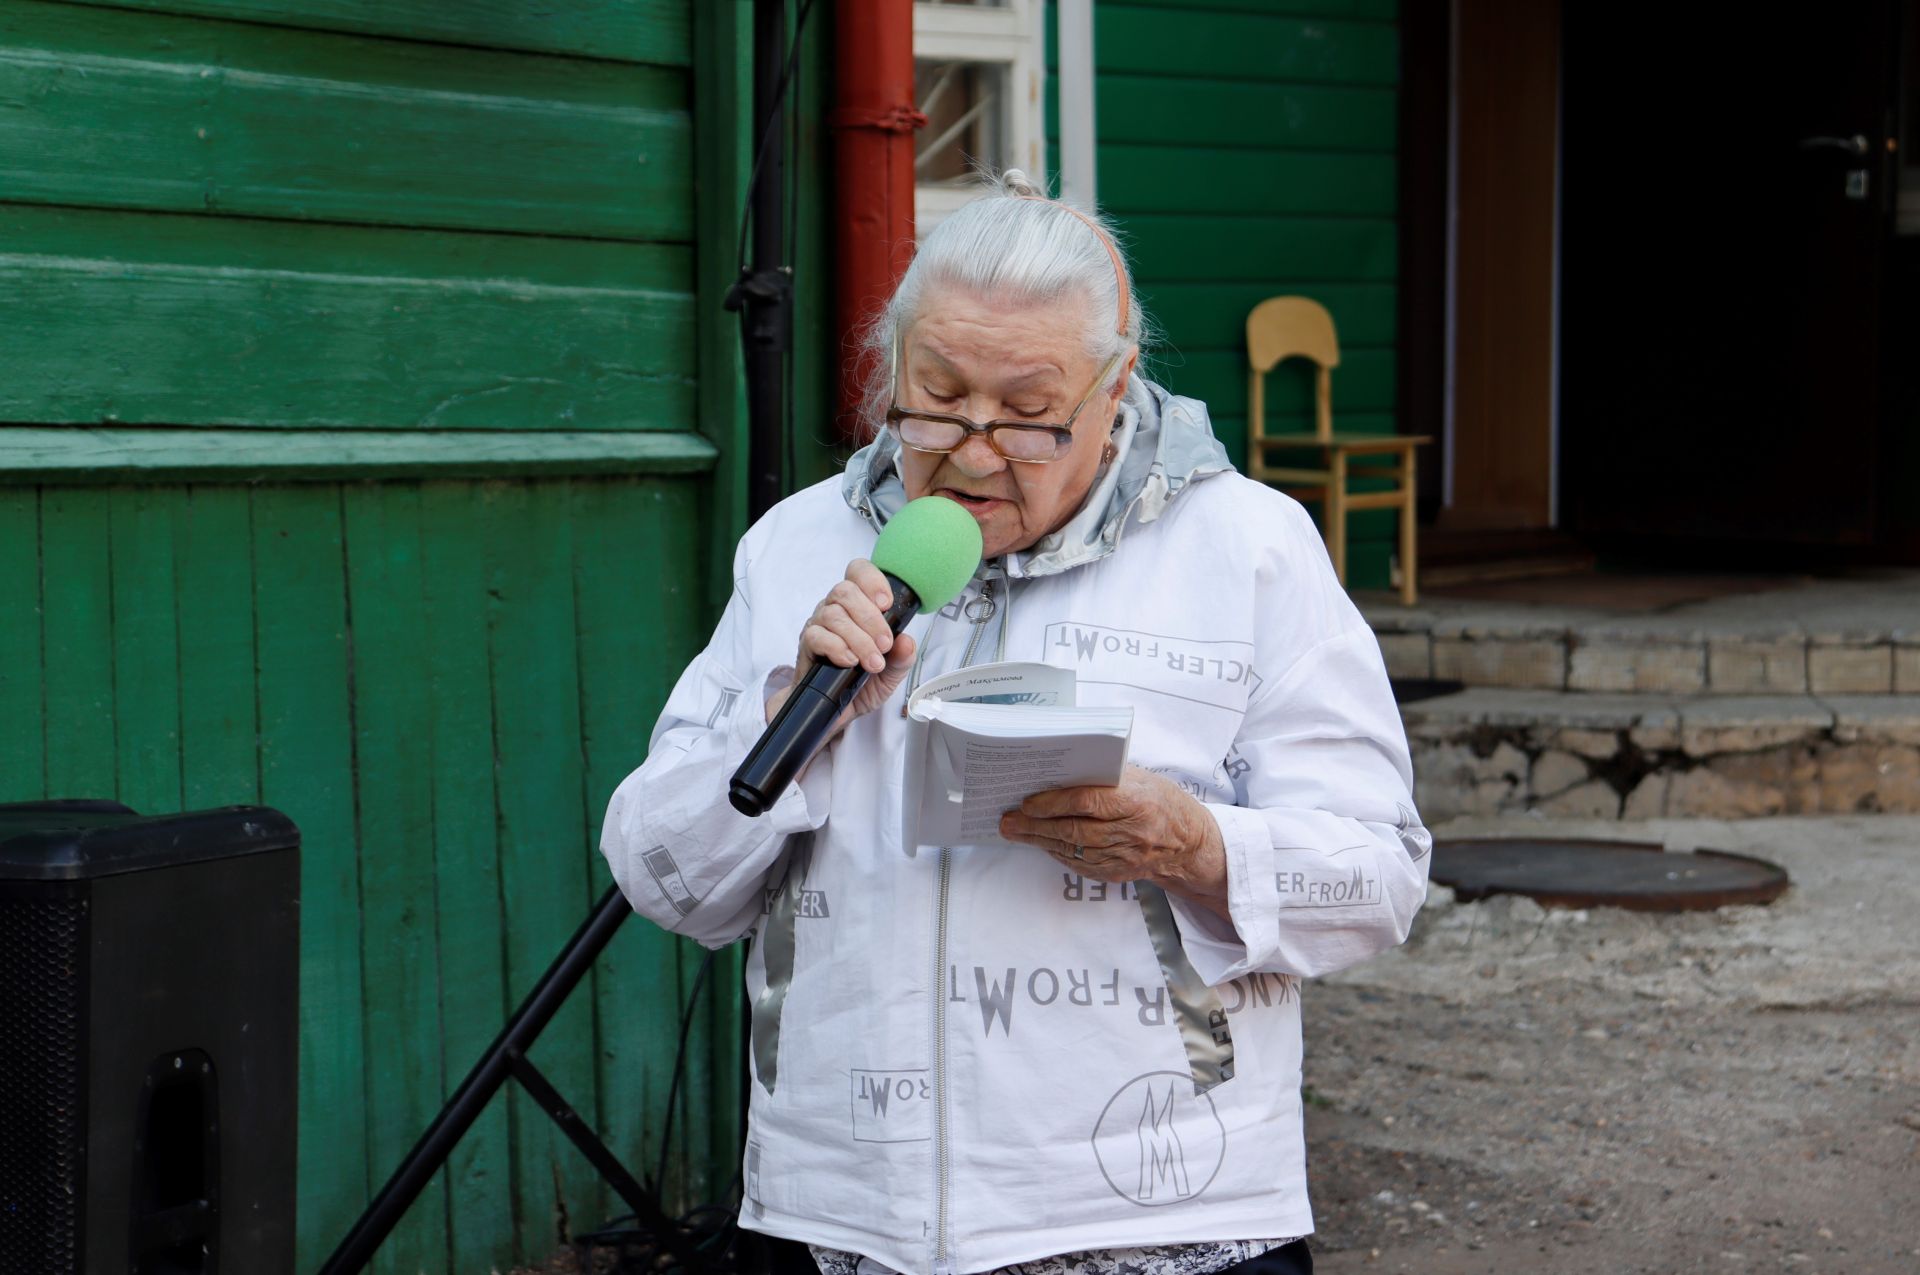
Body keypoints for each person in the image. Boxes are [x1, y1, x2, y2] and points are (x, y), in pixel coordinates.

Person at [601, 170, 1430, 1275]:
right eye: (935, 399)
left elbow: (1378, 878)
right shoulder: (797, 545)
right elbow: (660, 874)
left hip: (1161, 1219)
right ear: (887, 368)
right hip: (842, 1218)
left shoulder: (1249, 550)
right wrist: (783, 721)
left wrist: (1196, 844)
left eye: (1030, 417)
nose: (976, 450)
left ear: (1116, 387)